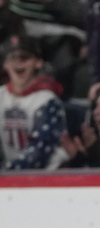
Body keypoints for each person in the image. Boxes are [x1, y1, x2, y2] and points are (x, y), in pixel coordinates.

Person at [0, 33, 69, 170]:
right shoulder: (1, 95)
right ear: (5, 65)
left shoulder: (47, 99)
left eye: (24, 58)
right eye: (12, 58)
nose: (18, 62)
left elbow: (41, 149)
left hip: (46, 178)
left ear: (38, 62)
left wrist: (9, 172)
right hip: (8, 178)